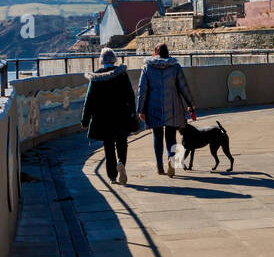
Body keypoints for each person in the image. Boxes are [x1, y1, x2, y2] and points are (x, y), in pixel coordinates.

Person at [137, 43, 195, 177]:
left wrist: (141, 109)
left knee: (157, 136)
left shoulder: (147, 67)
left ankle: (159, 167)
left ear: (156, 52)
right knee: (171, 135)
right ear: (167, 53)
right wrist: (191, 104)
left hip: (153, 105)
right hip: (173, 106)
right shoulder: (175, 67)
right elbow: (183, 87)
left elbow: (142, 90)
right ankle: (171, 159)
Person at [81, 47, 137, 185]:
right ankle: (121, 162)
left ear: (101, 61)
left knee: (109, 146)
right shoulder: (122, 75)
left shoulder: (97, 76)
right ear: (114, 60)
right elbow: (130, 96)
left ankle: (112, 176)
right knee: (122, 142)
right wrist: (133, 114)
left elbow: (89, 100)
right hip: (121, 116)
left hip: (103, 119)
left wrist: (85, 120)